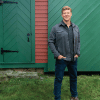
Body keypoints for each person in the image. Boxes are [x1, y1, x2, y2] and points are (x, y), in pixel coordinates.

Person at [48, 6, 80, 100]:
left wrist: (77, 53)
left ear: (71, 14)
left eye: (68, 13)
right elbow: (50, 41)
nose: (66, 14)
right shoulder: (56, 28)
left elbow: (78, 41)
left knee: (73, 78)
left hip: (73, 58)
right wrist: (57, 55)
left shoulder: (75, 27)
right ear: (62, 15)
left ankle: (74, 96)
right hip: (62, 59)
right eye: (64, 13)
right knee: (58, 79)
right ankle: (57, 98)